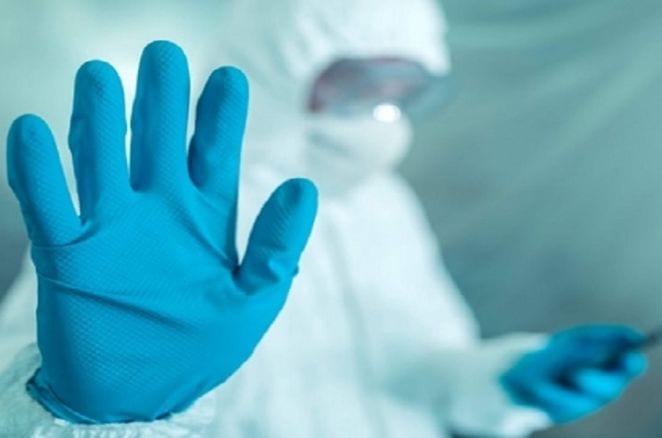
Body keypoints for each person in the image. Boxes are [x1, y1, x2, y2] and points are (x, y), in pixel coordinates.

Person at [0, 0, 648, 436]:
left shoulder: (383, 204)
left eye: (406, 94)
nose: (383, 118)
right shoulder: (152, 213)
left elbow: (419, 364)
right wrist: (87, 408)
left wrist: (505, 380)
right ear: (280, 67)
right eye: (360, 87)